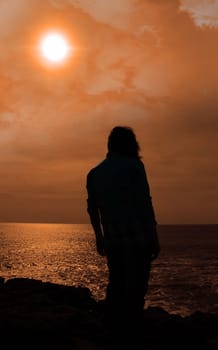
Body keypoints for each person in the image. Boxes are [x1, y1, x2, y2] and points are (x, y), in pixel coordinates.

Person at [86, 126, 160, 349]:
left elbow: (93, 209)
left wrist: (99, 237)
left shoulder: (95, 173)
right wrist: (153, 235)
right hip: (138, 237)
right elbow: (144, 202)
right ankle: (131, 333)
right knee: (137, 288)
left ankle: (113, 331)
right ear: (130, 144)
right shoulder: (135, 167)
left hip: (114, 240)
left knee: (116, 284)